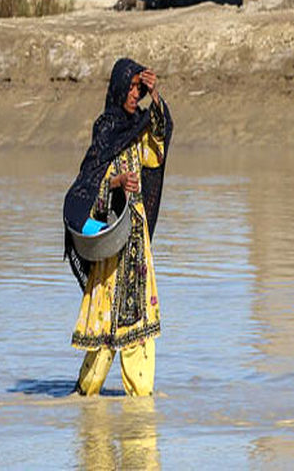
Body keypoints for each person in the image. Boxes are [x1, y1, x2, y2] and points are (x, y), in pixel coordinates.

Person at [63, 57, 173, 396]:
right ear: (116, 90)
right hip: (112, 243)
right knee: (103, 326)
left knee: (137, 327)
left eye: (137, 88)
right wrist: (114, 183)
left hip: (136, 241)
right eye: (129, 88)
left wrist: (156, 97)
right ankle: (86, 395)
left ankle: (141, 402)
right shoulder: (106, 128)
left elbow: (157, 150)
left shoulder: (140, 126)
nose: (132, 94)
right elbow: (86, 183)